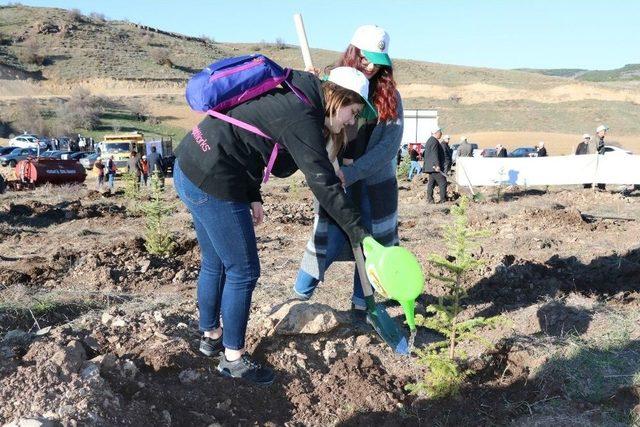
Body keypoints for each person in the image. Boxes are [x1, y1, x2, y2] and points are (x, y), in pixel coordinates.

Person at [174, 65, 374, 385]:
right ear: (339, 98)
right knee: (243, 270)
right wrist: (359, 231)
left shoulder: (293, 89)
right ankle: (233, 359)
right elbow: (322, 183)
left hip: (190, 163)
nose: (352, 121)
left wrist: (253, 193)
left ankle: (211, 336)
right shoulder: (303, 115)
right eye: (353, 111)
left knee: (215, 261)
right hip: (213, 179)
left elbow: (247, 136)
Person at [293, 25, 403, 317]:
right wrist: (310, 83)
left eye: (377, 62)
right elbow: (314, 125)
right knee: (328, 238)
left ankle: (361, 303)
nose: (370, 66)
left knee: (373, 244)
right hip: (336, 179)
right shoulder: (333, 82)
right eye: (365, 58)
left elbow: (388, 148)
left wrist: (353, 172)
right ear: (353, 52)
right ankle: (299, 296)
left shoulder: (389, 97)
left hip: (376, 185)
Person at [423, 127, 447, 203]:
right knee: (443, 182)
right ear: (436, 132)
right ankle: (443, 200)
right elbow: (434, 154)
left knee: (431, 183)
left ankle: (430, 199)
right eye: (440, 132)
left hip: (430, 166)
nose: (441, 133)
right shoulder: (434, 141)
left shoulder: (430, 140)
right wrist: (437, 165)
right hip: (434, 167)